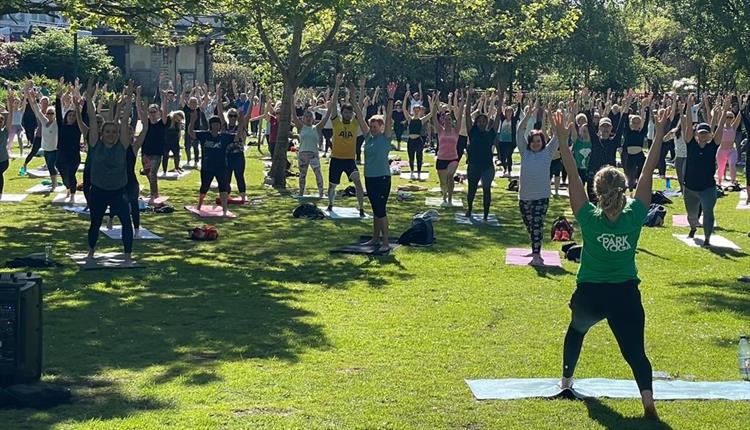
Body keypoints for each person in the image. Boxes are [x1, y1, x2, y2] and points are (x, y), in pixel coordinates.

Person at [555, 105, 672, 422]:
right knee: (635, 352)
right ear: (624, 188)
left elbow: (572, 174)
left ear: (597, 191)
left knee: (576, 331)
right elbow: (647, 172)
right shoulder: (635, 213)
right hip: (625, 293)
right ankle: (647, 400)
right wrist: (659, 133)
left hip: (591, 293)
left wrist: (563, 141)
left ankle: (566, 382)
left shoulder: (589, 217)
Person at [85, 80, 142, 262]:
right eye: (107, 131)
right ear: (101, 134)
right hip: (99, 191)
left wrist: (130, 97)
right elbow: (92, 118)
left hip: (118, 191)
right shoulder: (95, 144)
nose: (111, 134)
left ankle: (127, 255)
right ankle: (91, 251)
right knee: (95, 223)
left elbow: (125, 120)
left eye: (114, 132)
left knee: (126, 222)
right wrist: (89, 96)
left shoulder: (123, 145)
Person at [188, 88, 247, 217]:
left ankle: (225, 209)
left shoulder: (224, 136)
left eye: (217, 124)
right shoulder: (204, 135)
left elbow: (237, 138)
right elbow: (191, 134)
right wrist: (192, 121)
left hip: (221, 167)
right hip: (207, 167)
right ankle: (199, 205)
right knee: (204, 187)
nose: (215, 126)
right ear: (210, 126)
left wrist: (241, 122)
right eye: (213, 124)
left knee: (223, 188)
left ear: (219, 126)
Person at [514, 102, 560, 265]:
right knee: (529, 223)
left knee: (537, 224)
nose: (535, 144)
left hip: (541, 196)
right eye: (533, 141)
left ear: (542, 142)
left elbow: (556, 135)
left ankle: (536, 253)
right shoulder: (524, 152)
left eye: (538, 141)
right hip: (525, 196)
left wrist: (549, 117)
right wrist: (528, 115)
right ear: (529, 142)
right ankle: (535, 247)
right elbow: (519, 131)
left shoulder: (547, 153)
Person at [681, 94, 729, 247]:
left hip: (708, 187)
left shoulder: (713, 145)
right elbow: (688, 125)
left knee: (708, 212)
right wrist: (689, 106)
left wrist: (725, 110)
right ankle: (693, 228)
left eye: (706, 133)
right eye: (700, 133)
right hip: (690, 187)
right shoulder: (691, 144)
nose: (703, 135)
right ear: (697, 135)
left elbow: (719, 128)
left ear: (709, 135)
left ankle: (707, 238)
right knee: (692, 215)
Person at [354, 82, 396, 252]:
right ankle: (375, 238)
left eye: (374, 126)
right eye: (370, 126)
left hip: (383, 178)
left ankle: (385, 241)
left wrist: (391, 96)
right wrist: (353, 98)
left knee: (380, 210)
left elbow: (389, 116)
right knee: (375, 209)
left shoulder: (385, 137)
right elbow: (358, 115)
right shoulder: (368, 138)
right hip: (370, 177)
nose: (371, 128)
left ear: (380, 127)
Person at [292, 75, 340, 197]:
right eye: (306, 116)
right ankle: (301, 193)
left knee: (318, 174)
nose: (308, 118)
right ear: (303, 118)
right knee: (302, 176)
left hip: (314, 154)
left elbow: (328, 114)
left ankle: (320, 193)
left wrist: (336, 88)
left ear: (313, 118)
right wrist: (293, 98)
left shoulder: (317, 127)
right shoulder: (300, 127)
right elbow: (293, 113)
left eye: (310, 116)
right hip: (302, 154)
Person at [326, 79, 366, 216]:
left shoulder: (354, 124)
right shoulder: (336, 122)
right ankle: (330, 204)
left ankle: (361, 208)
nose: (348, 114)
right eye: (346, 112)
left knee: (358, 183)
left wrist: (359, 89)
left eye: (350, 113)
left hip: (349, 160)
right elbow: (333, 105)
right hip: (336, 159)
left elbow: (359, 106)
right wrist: (337, 85)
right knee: (332, 185)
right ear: (342, 113)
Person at [464, 88, 500, 222]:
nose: (481, 123)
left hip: (487, 166)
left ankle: (485, 214)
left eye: (484, 121)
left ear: (486, 123)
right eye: (479, 121)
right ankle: (469, 208)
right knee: (471, 189)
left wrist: (500, 100)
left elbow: (497, 119)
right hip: (473, 165)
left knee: (486, 188)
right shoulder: (472, 132)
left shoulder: (490, 133)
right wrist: (468, 97)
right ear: (476, 123)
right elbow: (467, 115)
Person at [55, 78, 86, 202]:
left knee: (71, 173)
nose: (72, 117)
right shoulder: (61, 126)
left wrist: (79, 100)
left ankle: (72, 194)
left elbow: (82, 115)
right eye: (70, 115)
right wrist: (58, 96)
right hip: (61, 154)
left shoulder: (78, 128)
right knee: (63, 174)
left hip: (73, 155)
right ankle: (68, 187)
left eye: (74, 116)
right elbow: (57, 112)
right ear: (66, 116)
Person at [431, 91, 463, 206]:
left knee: (450, 176)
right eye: (446, 119)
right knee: (443, 183)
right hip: (441, 158)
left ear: (452, 121)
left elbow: (460, 116)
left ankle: (450, 199)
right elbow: (434, 116)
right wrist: (435, 101)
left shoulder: (456, 131)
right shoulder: (440, 131)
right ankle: (444, 195)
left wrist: (463, 100)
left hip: (453, 158)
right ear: (443, 121)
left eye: (450, 119)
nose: (448, 121)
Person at [25, 85, 59, 189]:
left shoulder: (57, 123)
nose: (49, 115)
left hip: (55, 149)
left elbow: (61, 109)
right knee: (49, 167)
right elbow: (36, 107)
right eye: (48, 113)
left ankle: (54, 184)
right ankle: (55, 183)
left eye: (51, 113)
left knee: (51, 166)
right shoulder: (44, 122)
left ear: (54, 114)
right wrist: (31, 96)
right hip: (46, 149)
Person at [402, 83, 433, 180]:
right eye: (414, 109)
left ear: (419, 110)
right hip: (411, 140)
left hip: (418, 141)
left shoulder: (421, 120)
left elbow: (431, 113)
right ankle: (412, 172)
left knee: (419, 157)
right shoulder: (410, 119)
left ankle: (419, 173)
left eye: (417, 109)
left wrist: (430, 102)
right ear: (413, 110)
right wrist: (405, 97)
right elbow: (403, 108)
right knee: (411, 157)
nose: (416, 111)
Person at [141, 94, 168, 203]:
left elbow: (165, 111)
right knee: (148, 173)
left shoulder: (162, 123)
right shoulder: (146, 122)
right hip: (145, 152)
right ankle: (155, 192)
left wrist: (165, 99)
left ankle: (153, 195)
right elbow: (139, 109)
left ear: (158, 112)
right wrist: (138, 96)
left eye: (154, 111)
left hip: (157, 153)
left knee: (153, 174)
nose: (152, 114)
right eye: (150, 112)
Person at [621, 95, 650, 191]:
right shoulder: (628, 131)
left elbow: (646, 122)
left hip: (640, 155)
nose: (636, 124)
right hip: (630, 156)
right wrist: (628, 103)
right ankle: (629, 189)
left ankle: (640, 189)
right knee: (629, 175)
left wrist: (647, 108)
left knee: (641, 173)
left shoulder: (641, 132)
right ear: (631, 123)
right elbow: (624, 120)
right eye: (634, 122)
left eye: (638, 122)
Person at [715, 100, 742, 185]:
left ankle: (733, 182)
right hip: (721, 150)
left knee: (732, 165)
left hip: (731, 150)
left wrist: (742, 104)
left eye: (731, 117)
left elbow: (739, 115)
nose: (729, 119)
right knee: (721, 168)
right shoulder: (721, 127)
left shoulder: (734, 127)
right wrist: (721, 107)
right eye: (727, 117)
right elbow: (719, 116)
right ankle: (719, 182)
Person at [162, 110, 184, 174]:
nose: (178, 120)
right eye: (178, 119)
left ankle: (176, 168)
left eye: (180, 120)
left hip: (175, 142)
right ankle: (164, 171)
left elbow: (179, 132)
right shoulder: (168, 118)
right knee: (165, 156)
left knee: (177, 156)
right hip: (166, 141)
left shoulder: (178, 123)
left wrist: (179, 140)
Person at [0, 96, 9, 198]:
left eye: (1, 121)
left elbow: (9, 119)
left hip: (3, 160)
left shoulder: (4, 132)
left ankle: (0, 193)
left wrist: (9, 105)